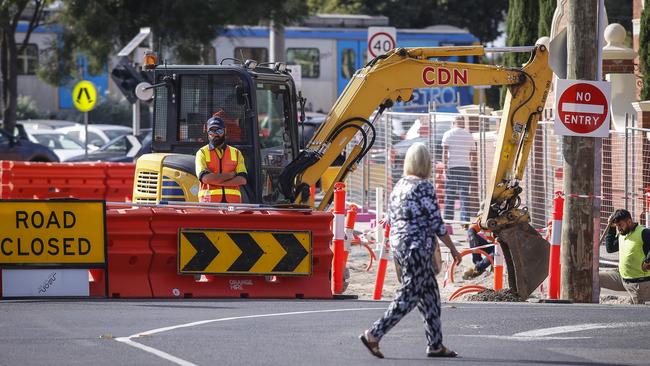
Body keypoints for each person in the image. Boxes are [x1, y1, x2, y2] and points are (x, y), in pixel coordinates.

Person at [359, 142, 463, 359]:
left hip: (401, 247)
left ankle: (436, 345)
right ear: (426, 164)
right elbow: (437, 223)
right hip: (418, 248)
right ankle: (373, 334)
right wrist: (453, 249)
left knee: (431, 297)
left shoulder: (399, 186)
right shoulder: (424, 187)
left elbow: (390, 219)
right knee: (409, 296)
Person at [598, 209, 650, 304]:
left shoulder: (643, 232)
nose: (619, 229)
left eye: (620, 225)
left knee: (638, 312)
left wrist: (647, 261)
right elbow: (610, 248)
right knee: (595, 278)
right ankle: (590, 307)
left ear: (629, 221)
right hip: (622, 278)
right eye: (617, 226)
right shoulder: (623, 234)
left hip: (638, 282)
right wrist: (612, 228)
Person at [195, 113, 248, 203]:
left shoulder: (236, 152)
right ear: (207, 132)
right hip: (209, 205)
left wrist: (216, 181)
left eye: (219, 131)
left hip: (232, 206)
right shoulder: (202, 153)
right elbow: (205, 178)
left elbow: (242, 179)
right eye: (211, 132)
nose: (215, 135)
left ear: (225, 131)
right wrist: (231, 175)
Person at [441, 116, 476, 222]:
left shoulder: (448, 134)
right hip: (465, 167)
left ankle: (448, 220)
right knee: (464, 194)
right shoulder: (469, 135)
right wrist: (472, 167)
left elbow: (444, 153)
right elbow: (473, 155)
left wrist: (444, 167)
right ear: (463, 123)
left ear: (453, 123)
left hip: (452, 167)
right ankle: (465, 220)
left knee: (450, 194)